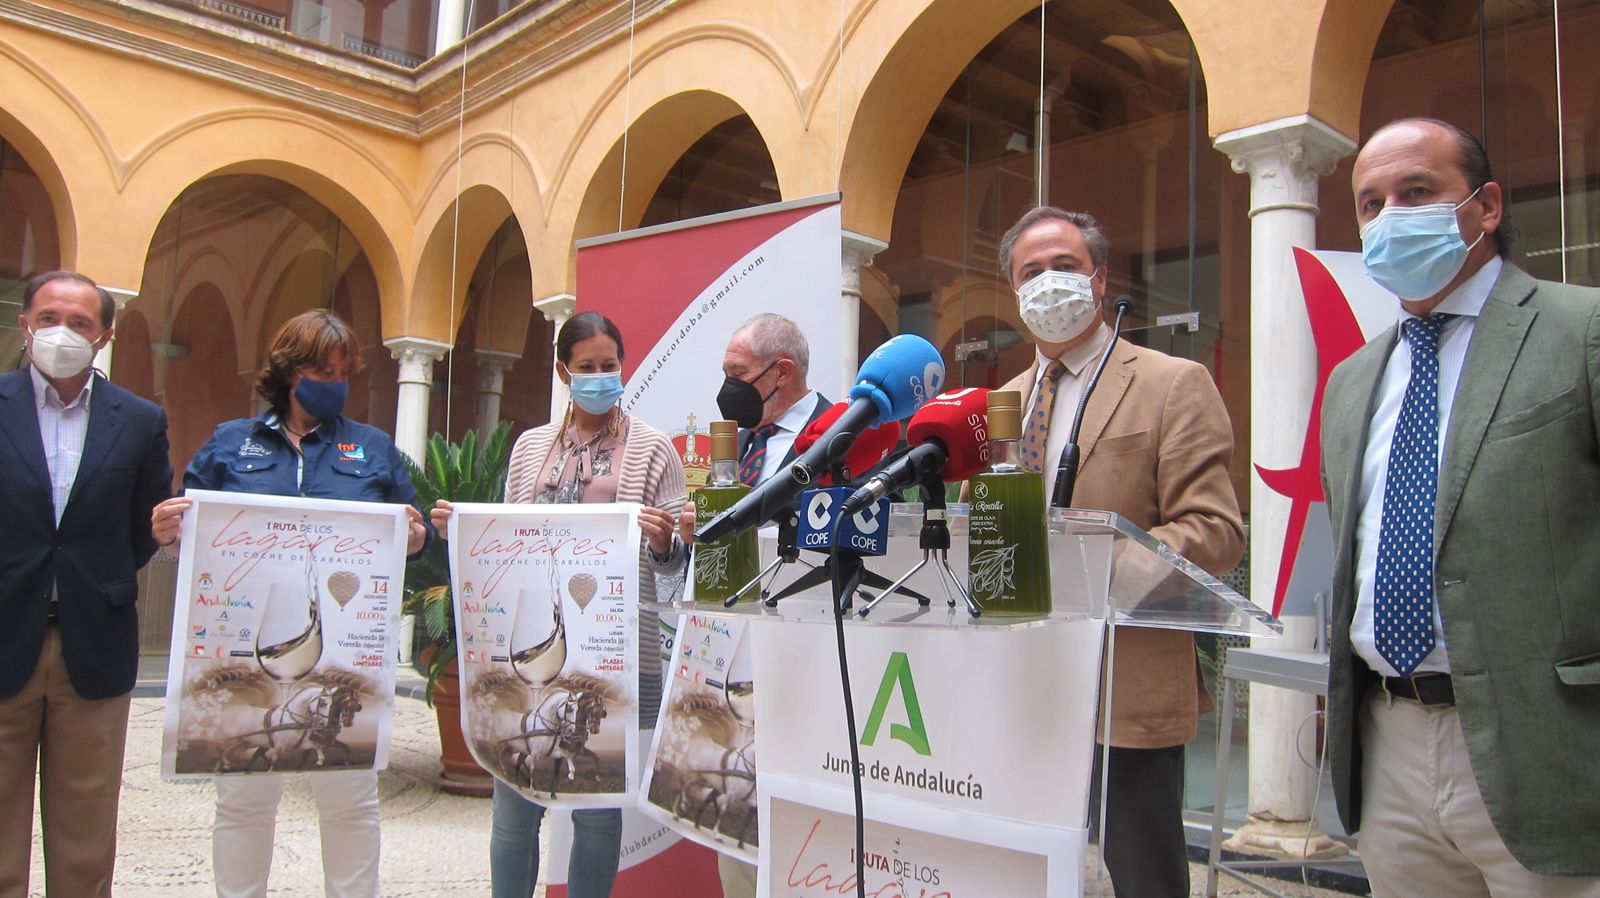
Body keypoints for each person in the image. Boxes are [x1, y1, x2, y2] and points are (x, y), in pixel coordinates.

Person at [1321, 117, 1600, 896]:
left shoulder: (1581, 332)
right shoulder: (1350, 381)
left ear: (1486, 206)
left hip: (1548, 747)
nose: (1390, 217)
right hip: (1388, 749)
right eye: (1371, 203)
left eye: (1417, 191)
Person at [996, 207, 1244, 898]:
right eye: (1031, 272)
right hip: (1020, 687)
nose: (1049, 282)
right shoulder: (1001, 404)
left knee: (1145, 881)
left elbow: (1216, 531)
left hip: (1126, 687)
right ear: (1015, 294)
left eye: (1065, 267)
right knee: (1029, 871)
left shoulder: (1171, 382)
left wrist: (1087, 566)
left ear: (1100, 280)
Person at [150, 309, 431, 898]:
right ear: (287, 372)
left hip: (347, 655)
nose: (332, 381)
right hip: (245, 649)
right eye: (319, 370)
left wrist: (416, 537)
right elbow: (193, 536)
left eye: (341, 371)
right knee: (244, 795)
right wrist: (171, 530)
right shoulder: (232, 444)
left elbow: (417, 539)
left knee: (350, 797)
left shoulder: (372, 448)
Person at [431, 311, 687, 898]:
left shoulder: (654, 449)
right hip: (528, 648)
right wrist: (464, 530)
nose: (601, 377)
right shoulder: (528, 449)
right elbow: (505, 544)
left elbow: (677, 567)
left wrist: (664, 542)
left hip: (613, 652)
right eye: (587, 367)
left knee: (597, 811)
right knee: (514, 808)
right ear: (562, 370)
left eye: (610, 366)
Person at [0, 270, 174, 898]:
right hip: (3, 634)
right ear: (25, 324)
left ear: (103, 335)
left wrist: (87, 580)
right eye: (48, 319)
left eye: (78, 323)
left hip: (93, 647)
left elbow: (142, 530)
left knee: (85, 834)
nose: (61, 334)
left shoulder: (139, 421)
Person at [717, 312, 830, 486]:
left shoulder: (837, 435)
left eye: (739, 374)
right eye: (727, 376)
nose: (729, 387)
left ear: (783, 372)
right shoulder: (735, 443)